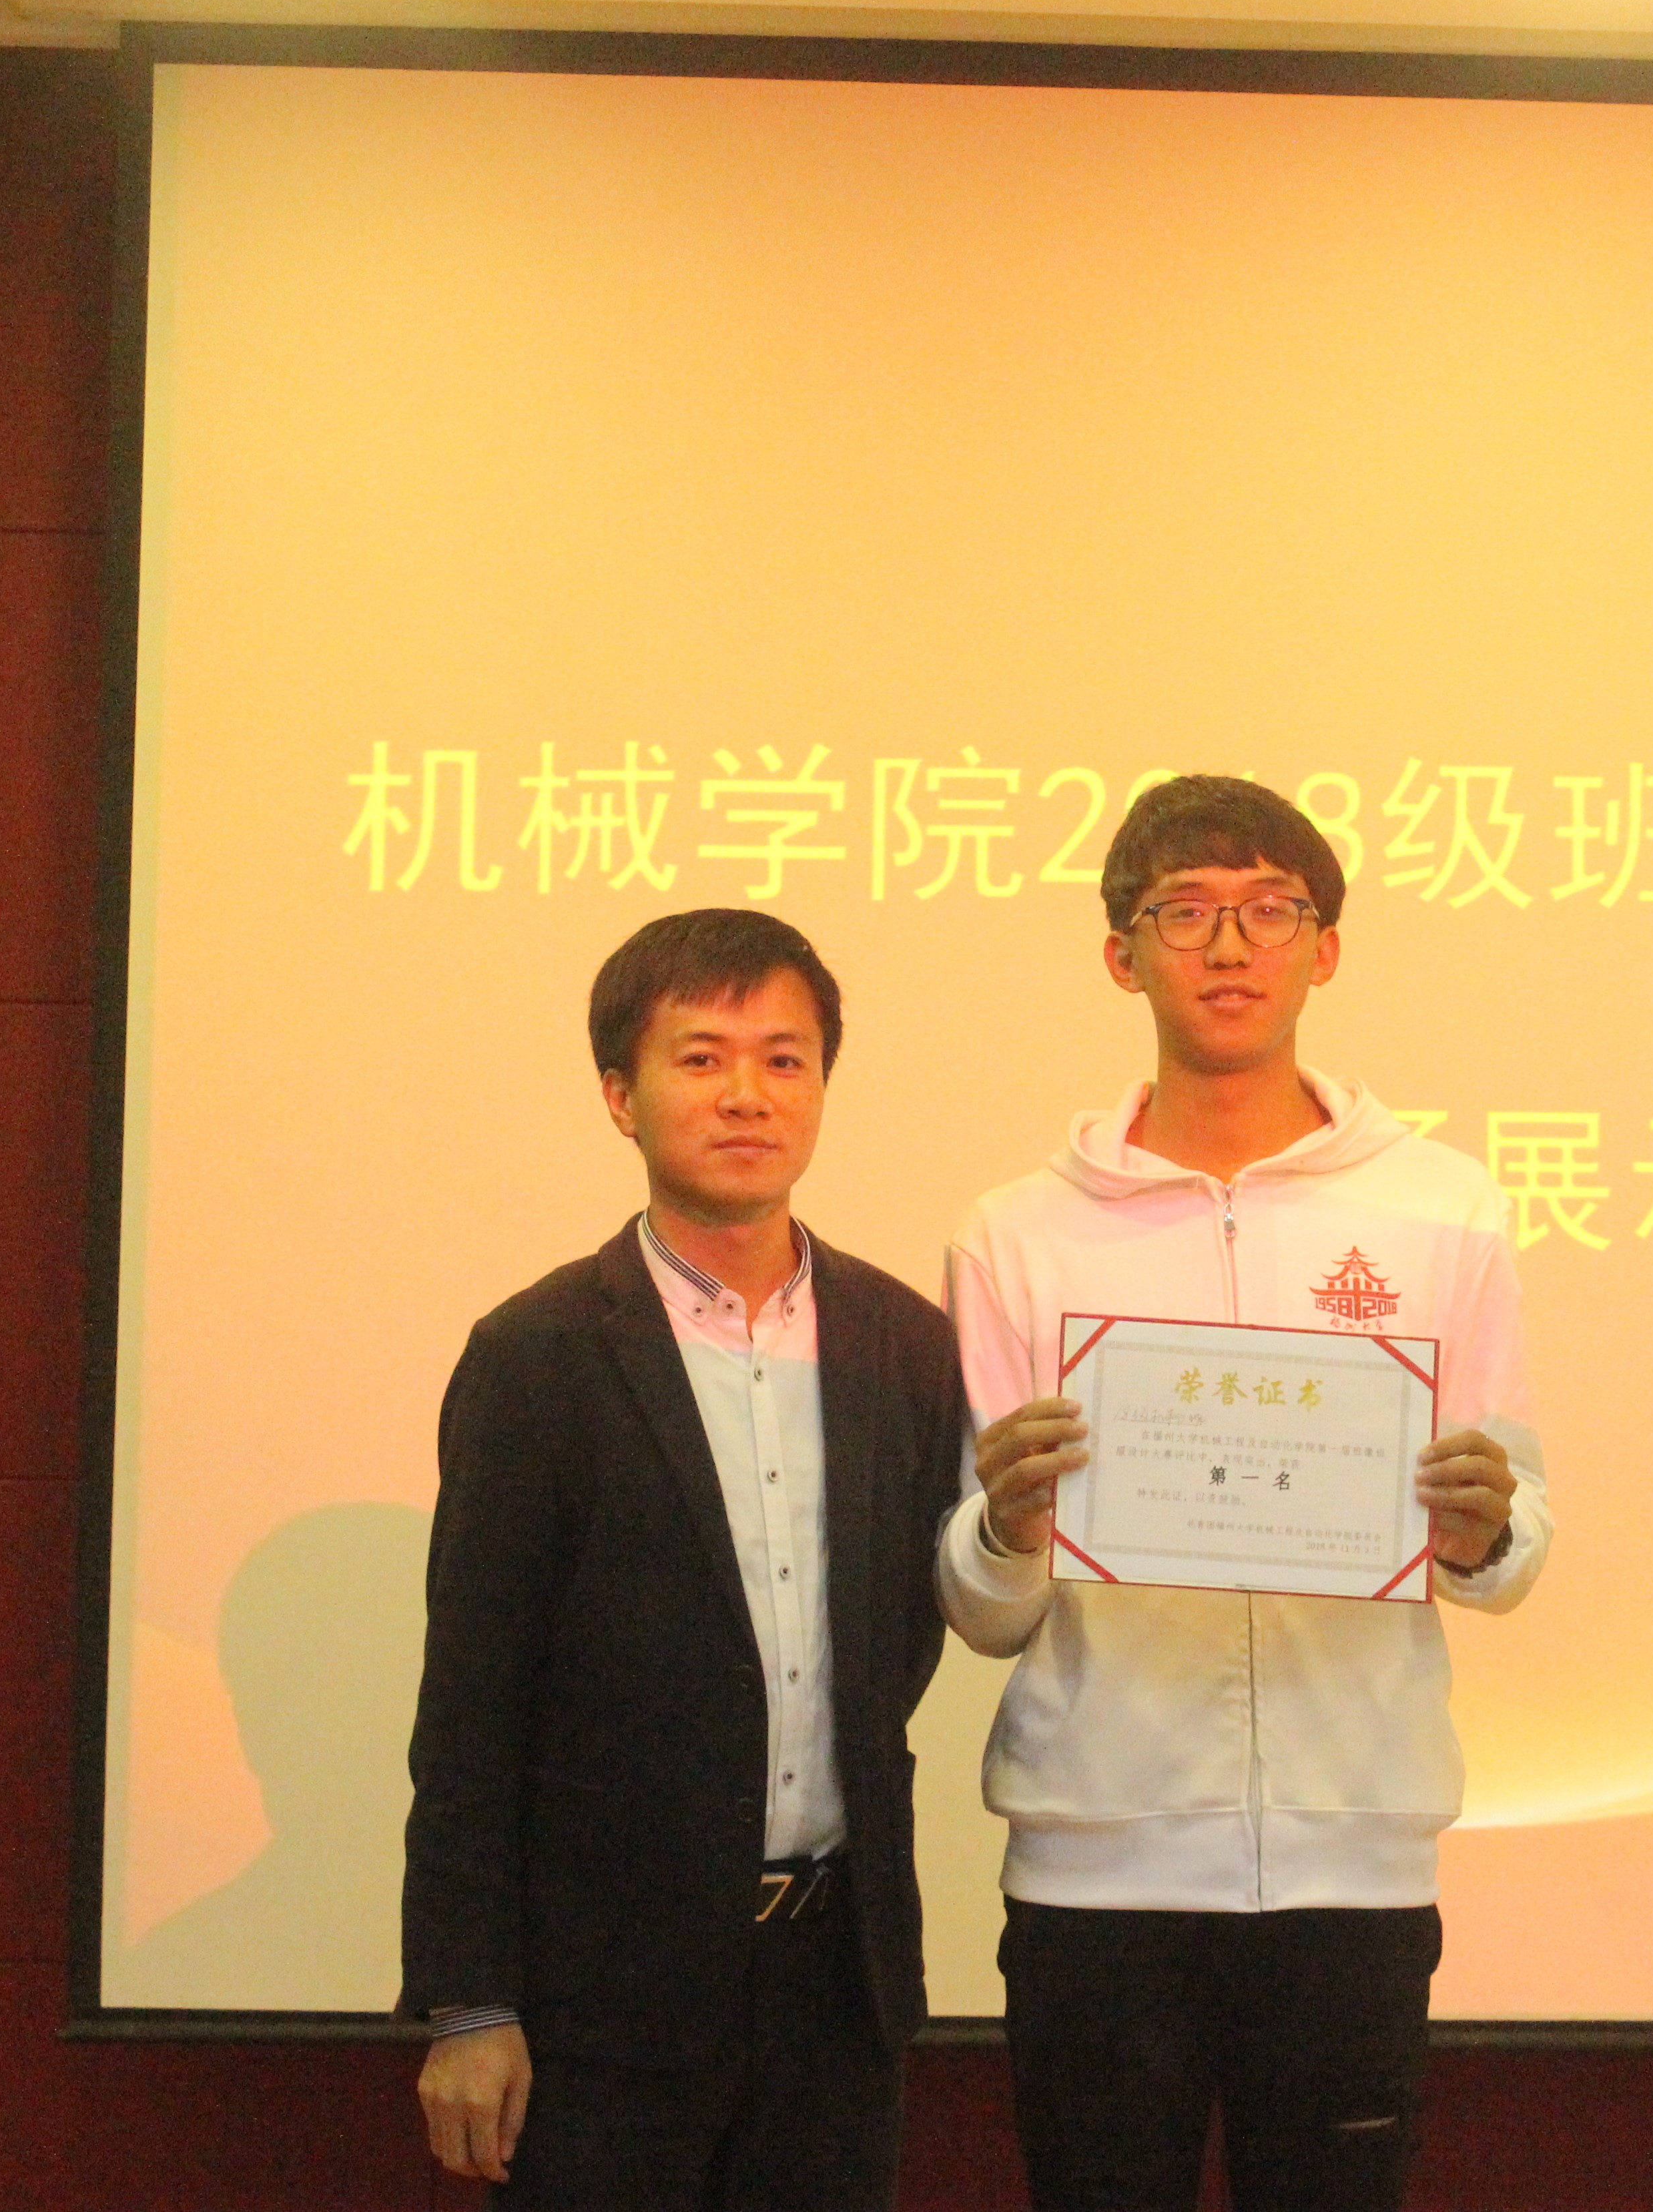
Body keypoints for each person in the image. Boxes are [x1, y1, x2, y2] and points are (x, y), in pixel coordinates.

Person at [937, 776, 1554, 2211]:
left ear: (1325, 949)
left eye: (1271, 910)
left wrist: (1484, 1533)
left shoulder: (1441, 1208)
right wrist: (1006, 1529)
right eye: (1187, 912)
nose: (1230, 945)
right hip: (1099, 1873)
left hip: (1354, 1865)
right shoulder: (1019, 1234)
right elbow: (981, 1608)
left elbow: (1517, 1541)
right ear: (1122, 954)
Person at [402, 909, 967, 2209]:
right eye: (702, 1058)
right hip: (603, 2000)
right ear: (622, 1096)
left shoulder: (904, 1344)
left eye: (785, 1059)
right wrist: (470, 2000)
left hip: (838, 1984)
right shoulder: (538, 1355)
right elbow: (473, 1700)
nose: (747, 1095)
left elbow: (902, 1640)